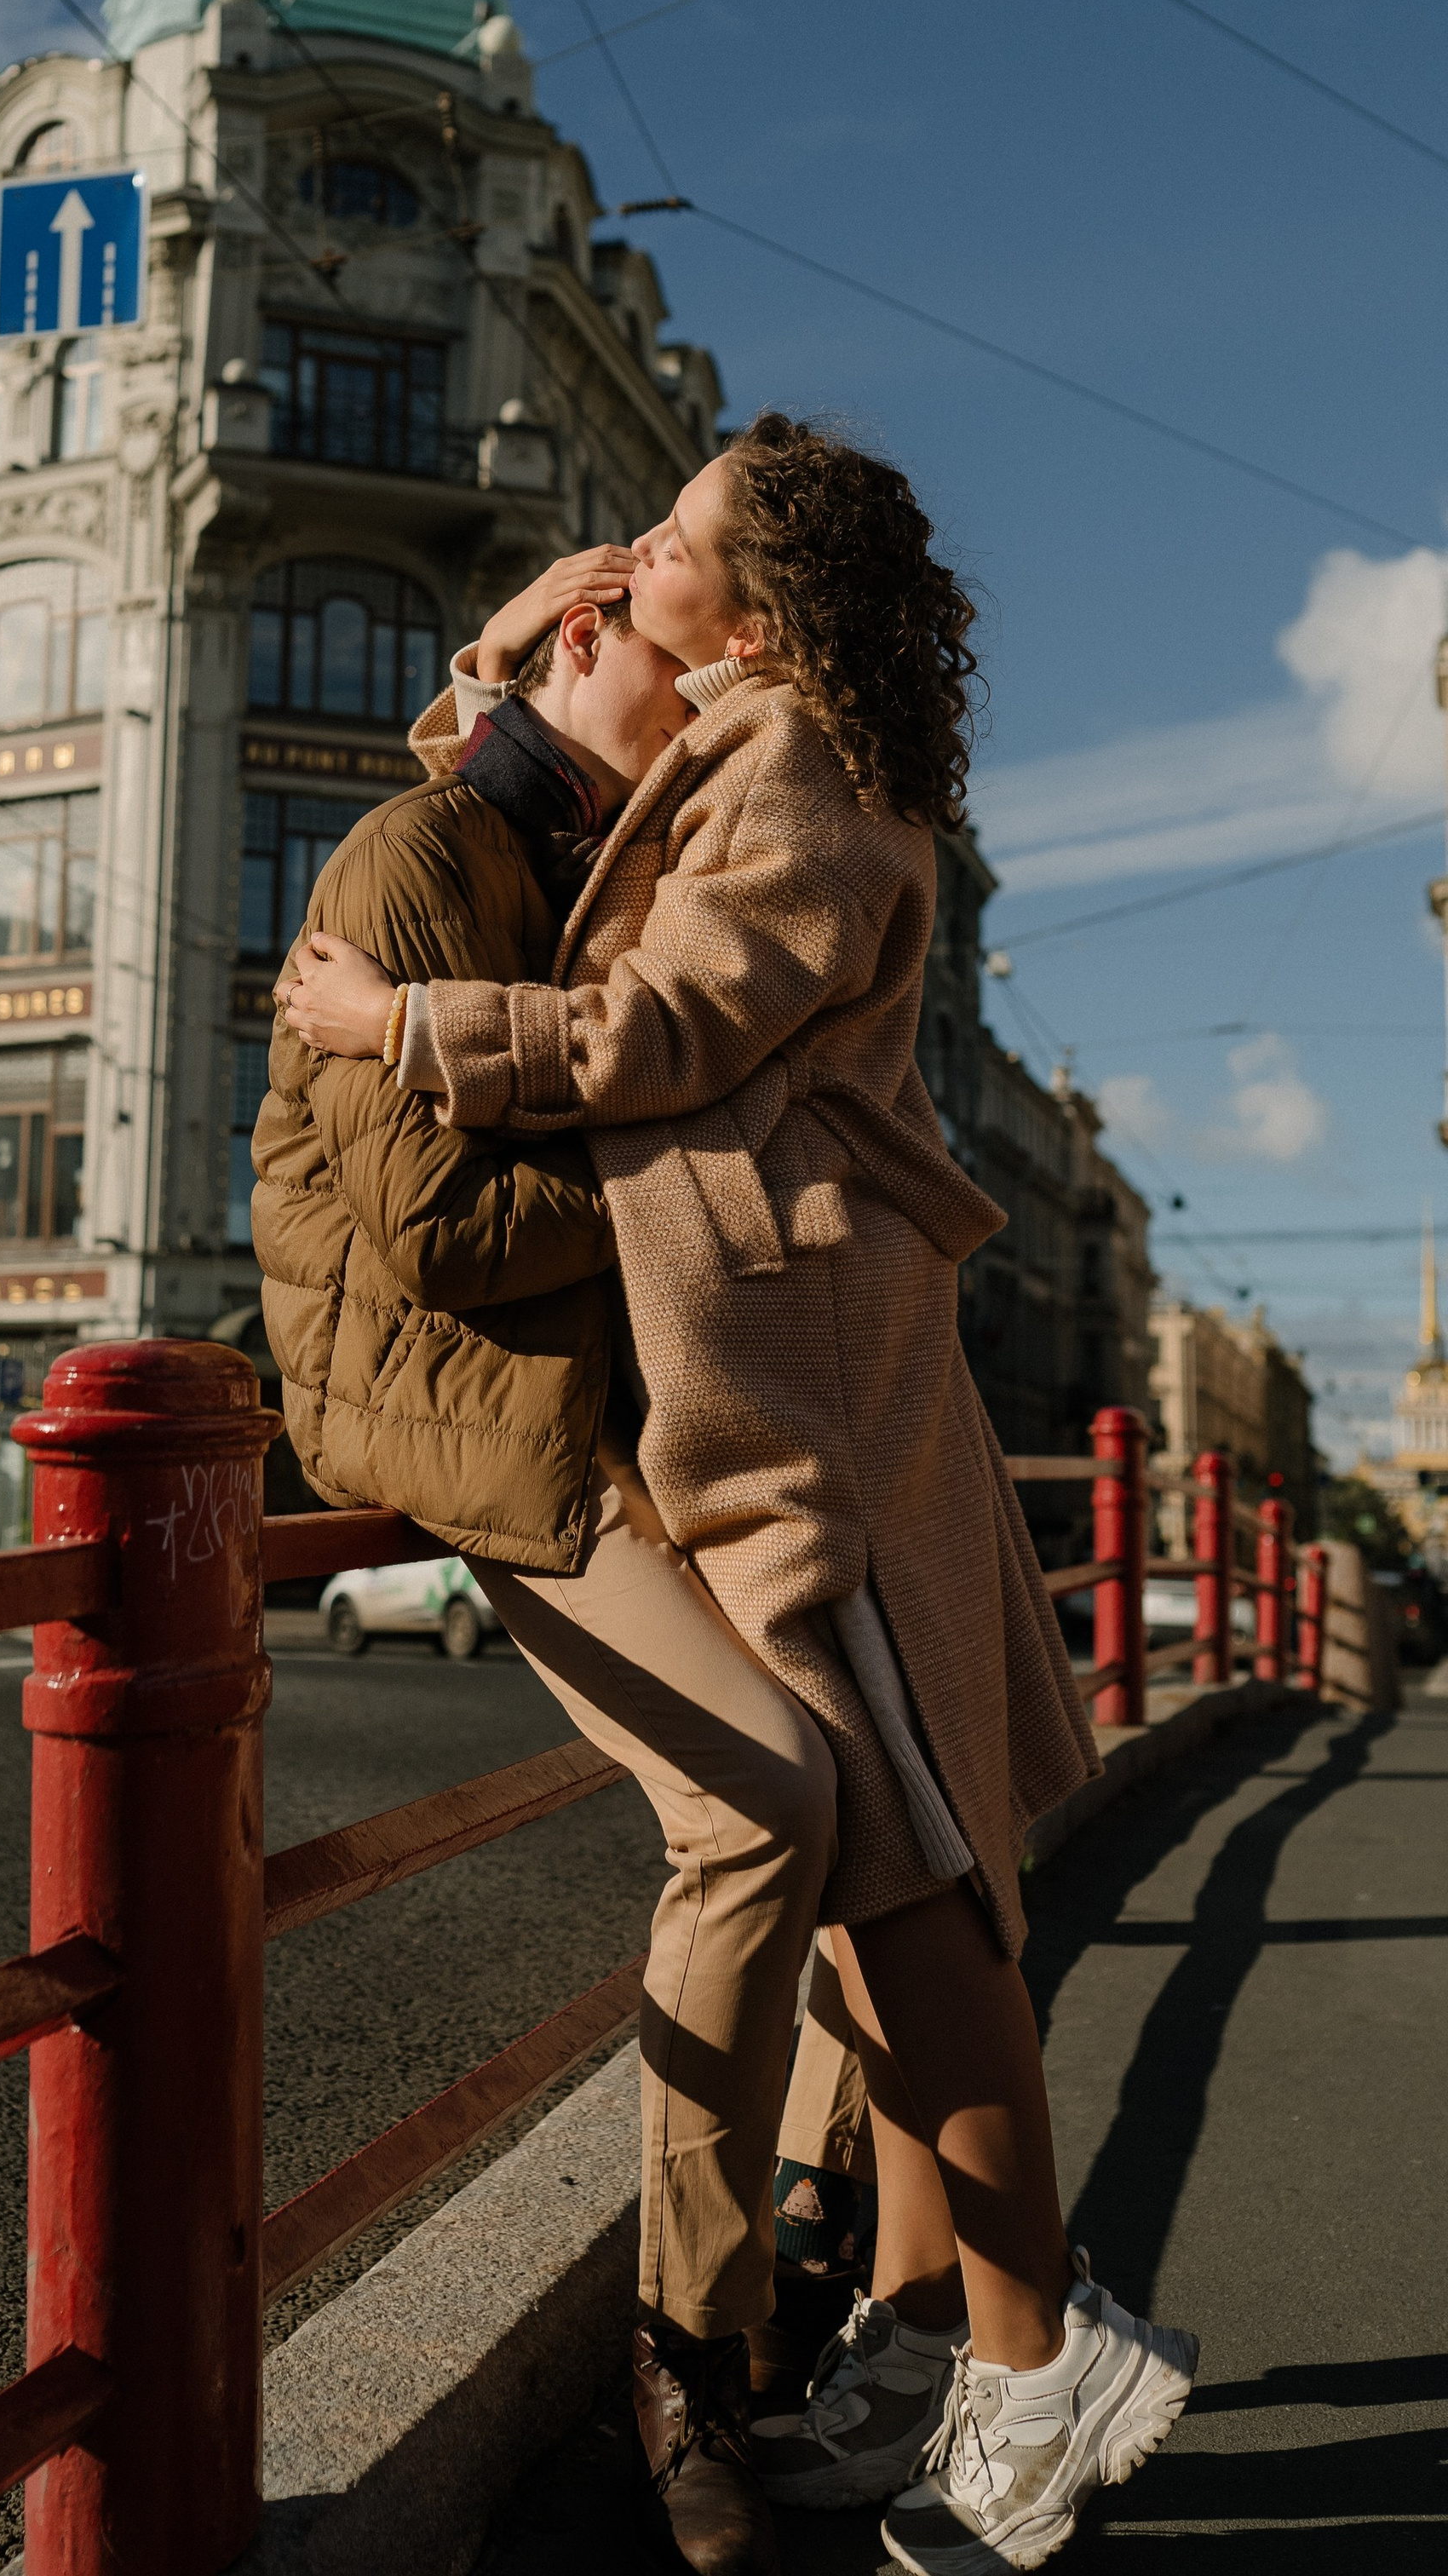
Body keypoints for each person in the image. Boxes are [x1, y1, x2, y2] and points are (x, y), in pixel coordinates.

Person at [277, 416, 1199, 2573]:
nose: (621, 561)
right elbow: (534, 798)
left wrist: (402, 1028)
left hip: (798, 1397)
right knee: (894, 1873)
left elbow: (649, 1031)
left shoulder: (790, 766)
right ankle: (917, 2332)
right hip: (782, 1378)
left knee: (909, 1885)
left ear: (759, 621)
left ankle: (1036, 2361)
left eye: (668, 541)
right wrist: (497, 650)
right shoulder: (768, 732)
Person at [257, 594, 868, 2573]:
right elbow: (434, 1231)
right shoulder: (415, 857)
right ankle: (689, 2348)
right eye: (684, 647)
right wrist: (682, 1193)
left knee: (883, 1781)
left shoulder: (614, 864)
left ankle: (805, 2234)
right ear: (587, 634)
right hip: (471, 1403)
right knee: (761, 1800)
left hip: (637, 1394)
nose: (707, 692)